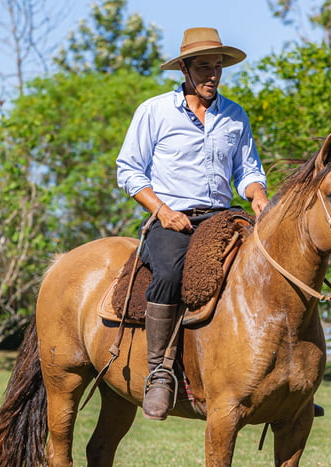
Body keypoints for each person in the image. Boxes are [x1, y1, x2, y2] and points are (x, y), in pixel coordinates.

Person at [116, 27, 269, 420]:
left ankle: (278, 379)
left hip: (222, 215)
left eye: (217, 67)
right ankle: (160, 372)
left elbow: (248, 170)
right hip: (171, 218)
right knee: (169, 273)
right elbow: (129, 170)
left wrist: (258, 196)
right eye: (203, 67)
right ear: (184, 69)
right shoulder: (154, 111)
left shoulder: (235, 115)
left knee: (265, 266)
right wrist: (163, 211)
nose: (212, 75)